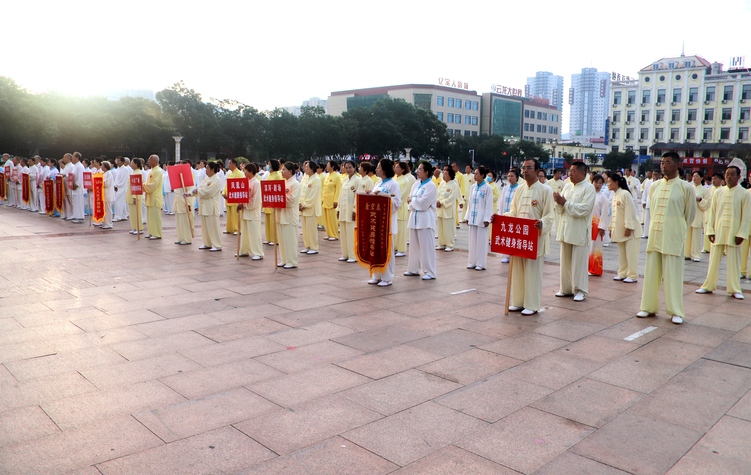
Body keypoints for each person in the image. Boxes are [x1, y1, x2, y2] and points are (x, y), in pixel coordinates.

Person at [637, 152, 697, 324]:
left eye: (668, 162)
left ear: (677, 165)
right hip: (655, 234)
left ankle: (675, 311)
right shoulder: (654, 186)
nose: (663, 165)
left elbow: (690, 214)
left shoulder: (686, 187)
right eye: (662, 162)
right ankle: (647, 307)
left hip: (673, 235)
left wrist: (678, 229)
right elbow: (653, 209)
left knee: (673, 274)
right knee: (651, 273)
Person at [503, 158, 554, 315]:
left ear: (538, 170)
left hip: (535, 239)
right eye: (523, 168)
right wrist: (502, 218)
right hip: (519, 238)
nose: (525, 171)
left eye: (529, 168)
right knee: (517, 270)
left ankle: (531, 305)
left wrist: (542, 224)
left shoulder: (545, 190)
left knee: (533, 272)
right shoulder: (519, 189)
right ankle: (518, 302)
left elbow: (550, 216)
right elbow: (513, 211)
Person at [696, 166, 751, 299]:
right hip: (718, 230)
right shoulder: (717, 193)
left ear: (739, 177)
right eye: (727, 174)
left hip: (734, 232)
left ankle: (734, 289)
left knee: (734, 261)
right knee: (713, 260)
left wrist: (742, 234)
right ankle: (708, 286)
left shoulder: (744, 194)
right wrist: (710, 230)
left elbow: (746, 216)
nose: (729, 177)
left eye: (732, 174)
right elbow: (712, 213)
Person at [553, 161, 596, 302]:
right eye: (569, 171)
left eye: (573, 171)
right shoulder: (567, 186)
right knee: (565, 261)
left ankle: (580, 290)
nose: (570, 173)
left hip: (579, 230)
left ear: (583, 173)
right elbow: (559, 208)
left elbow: (584, 209)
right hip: (565, 228)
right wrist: (558, 202)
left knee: (579, 262)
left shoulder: (588, 188)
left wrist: (564, 203)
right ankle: (565, 288)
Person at [366, 159, 401, 286]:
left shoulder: (393, 184)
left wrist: (381, 197)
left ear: (385, 169)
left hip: (387, 222)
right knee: (375, 249)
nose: (376, 169)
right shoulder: (378, 183)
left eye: (379, 167)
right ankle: (376, 275)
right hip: (376, 221)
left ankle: (387, 277)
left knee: (386, 249)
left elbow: (396, 203)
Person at [404, 160, 438, 280]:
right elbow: (409, 200)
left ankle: (430, 271)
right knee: (414, 246)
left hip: (425, 220)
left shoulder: (431, 186)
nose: (417, 171)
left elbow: (424, 204)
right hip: (414, 218)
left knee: (426, 247)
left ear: (426, 172)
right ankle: (413, 269)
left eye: (420, 169)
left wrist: (413, 200)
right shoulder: (416, 184)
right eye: (417, 169)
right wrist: (413, 200)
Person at [607, 172, 641, 282]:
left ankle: (632, 275)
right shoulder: (615, 195)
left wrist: (629, 227)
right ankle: (622, 273)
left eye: (609, 182)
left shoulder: (625, 194)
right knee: (622, 253)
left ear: (616, 182)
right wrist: (611, 227)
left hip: (630, 230)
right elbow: (613, 213)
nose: (607, 184)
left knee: (631, 253)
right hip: (620, 229)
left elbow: (630, 211)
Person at [463, 166, 495, 271]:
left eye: (477, 174)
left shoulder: (487, 188)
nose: (475, 175)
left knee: (481, 241)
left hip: (482, 218)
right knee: (472, 240)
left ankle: (481, 263)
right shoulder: (473, 187)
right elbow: (470, 204)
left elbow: (489, 204)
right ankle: (472, 261)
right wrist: (467, 216)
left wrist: (487, 219)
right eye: (475, 173)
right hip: (473, 217)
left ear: (482, 175)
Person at [193, 161, 223, 251]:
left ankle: (217, 245)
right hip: (204, 206)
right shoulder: (207, 179)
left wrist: (198, 191)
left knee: (213, 226)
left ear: (212, 170)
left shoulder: (216, 180)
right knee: (205, 226)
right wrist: (190, 193)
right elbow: (199, 188)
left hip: (211, 206)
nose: (206, 171)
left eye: (207, 169)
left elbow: (209, 192)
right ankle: (207, 243)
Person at [237, 163, 264, 259]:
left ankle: (258, 253)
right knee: (245, 233)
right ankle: (244, 250)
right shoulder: (245, 182)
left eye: (245, 170)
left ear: (251, 171)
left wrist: (244, 204)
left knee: (254, 233)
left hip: (252, 212)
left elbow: (256, 200)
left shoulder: (256, 183)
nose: (243, 172)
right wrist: (240, 203)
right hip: (245, 212)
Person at [278, 162, 301, 268]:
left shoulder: (295, 184)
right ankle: (284, 259)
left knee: (290, 239)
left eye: (284, 170)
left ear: (290, 171)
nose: (282, 172)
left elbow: (292, 200)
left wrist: (280, 198)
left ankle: (292, 261)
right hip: (281, 214)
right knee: (282, 239)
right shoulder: (283, 183)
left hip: (290, 215)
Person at [683, 171, 711, 262]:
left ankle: (695, 254)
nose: (694, 178)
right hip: (688, 214)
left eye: (697, 176)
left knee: (696, 236)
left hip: (698, 215)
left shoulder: (705, 190)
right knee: (687, 236)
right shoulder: (688, 187)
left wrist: (700, 200)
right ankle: (686, 253)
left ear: (702, 178)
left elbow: (707, 205)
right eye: (693, 176)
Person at [338, 160, 360, 263]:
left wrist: (355, 210)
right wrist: (338, 209)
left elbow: (358, 196)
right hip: (343, 210)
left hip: (351, 210)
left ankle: (353, 255)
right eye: (346, 167)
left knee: (351, 234)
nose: (348, 169)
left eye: (350, 167)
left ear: (354, 168)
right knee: (343, 233)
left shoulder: (357, 180)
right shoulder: (345, 180)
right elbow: (340, 195)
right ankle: (345, 254)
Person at [588, 174, 610, 276]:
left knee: (596, 248)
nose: (598, 185)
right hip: (587, 225)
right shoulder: (588, 195)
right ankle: (587, 267)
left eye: (600, 183)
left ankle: (595, 269)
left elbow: (604, 214)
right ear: (592, 182)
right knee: (587, 247)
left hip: (597, 226)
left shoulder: (603, 198)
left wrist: (602, 227)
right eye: (596, 182)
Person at [299, 161, 322, 255]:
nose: (305, 168)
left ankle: (314, 247)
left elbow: (313, 195)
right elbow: (302, 192)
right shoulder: (306, 179)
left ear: (312, 168)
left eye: (307, 167)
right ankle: (307, 245)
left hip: (311, 208)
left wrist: (305, 204)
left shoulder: (316, 179)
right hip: (303, 208)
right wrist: (300, 203)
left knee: (311, 229)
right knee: (304, 229)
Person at [436, 167, 461, 252]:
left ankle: (450, 244)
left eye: (446, 174)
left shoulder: (454, 184)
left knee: (448, 228)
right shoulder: (442, 184)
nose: (444, 175)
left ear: (450, 176)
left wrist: (442, 202)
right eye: (443, 173)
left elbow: (452, 198)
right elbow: (437, 194)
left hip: (448, 210)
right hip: (440, 209)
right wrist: (437, 201)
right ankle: (441, 243)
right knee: (441, 227)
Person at [498, 168, 520, 263]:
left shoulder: (519, 189)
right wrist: (500, 215)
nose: (510, 178)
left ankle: (513, 255)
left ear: (517, 178)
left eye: (512, 176)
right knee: (505, 236)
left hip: (514, 216)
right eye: (509, 176)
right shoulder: (505, 188)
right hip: (505, 215)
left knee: (514, 236)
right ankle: (506, 255)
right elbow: (502, 202)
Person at [142, 155, 164, 239]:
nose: (148, 161)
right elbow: (148, 182)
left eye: (149, 160)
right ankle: (151, 232)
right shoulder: (151, 171)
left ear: (154, 161)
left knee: (155, 217)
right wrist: (143, 185)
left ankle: (157, 234)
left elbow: (154, 185)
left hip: (155, 197)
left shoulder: (158, 171)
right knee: (150, 216)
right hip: (149, 196)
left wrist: (143, 186)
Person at [173, 161, 194, 245]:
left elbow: (190, 189)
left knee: (185, 221)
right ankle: (180, 237)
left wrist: (188, 203)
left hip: (185, 201)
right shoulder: (178, 176)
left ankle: (187, 238)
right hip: (178, 201)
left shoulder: (189, 174)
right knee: (179, 220)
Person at [703, 172, 725, 253]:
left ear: (721, 180)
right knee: (707, 229)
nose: (713, 180)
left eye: (715, 179)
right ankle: (706, 247)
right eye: (712, 179)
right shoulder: (708, 190)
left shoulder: (723, 190)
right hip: (709, 212)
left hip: (718, 214)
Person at [262, 159, 282, 244]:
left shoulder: (277, 175)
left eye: (269, 164)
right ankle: (269, 238)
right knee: (267, 221)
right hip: (267, 200)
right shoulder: (269, 175)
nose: (268, 166)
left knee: (273, 221)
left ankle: (275, 239)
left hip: (273, 200)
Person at [395, 162, 412, 257]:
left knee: (401, 230)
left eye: (397, 167)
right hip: (394, 207)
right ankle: (395, 248)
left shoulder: (405, 181)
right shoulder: (395, 179)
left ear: (402, 169)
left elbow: (402, 195)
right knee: (395, 229)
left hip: (401, 207)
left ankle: (402, 249)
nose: (395, 168)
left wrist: (395, 204)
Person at [222, 158, 243, 235]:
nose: (228, 165)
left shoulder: (239, 173)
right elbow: (226, 184)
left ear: (234, 164)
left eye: (230, 163)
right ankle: (229, 228)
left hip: (234, 197)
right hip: (228, 197)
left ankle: (237, 229)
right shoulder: (230, 173)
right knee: (229, 214)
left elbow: (240, 186)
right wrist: (224, 193)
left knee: (235, 214)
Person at [322, 160, 342, 241]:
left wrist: (336, 200)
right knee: (327, 218)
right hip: (326, 199)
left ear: (332, 166)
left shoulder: (336, 176)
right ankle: (329, 233)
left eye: (328, 165)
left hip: (332, 200)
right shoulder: (327, 176)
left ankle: (334, 234)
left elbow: (338, 189)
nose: (326, 167)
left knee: (332, 218)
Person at [126, 158, 144, 235]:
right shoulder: (133, 172)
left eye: (132, 163)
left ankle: (139, 228)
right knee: (132, 213)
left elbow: (137, 186)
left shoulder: (138, 173)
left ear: (136, 164)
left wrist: (134, 197)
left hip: (135, 196)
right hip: (130, 194)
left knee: (137, 213)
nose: (131, 164)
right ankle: (134, 227)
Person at [70, 152, 85, 223]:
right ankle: (76, 216)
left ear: (77, 158)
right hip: (74, 187)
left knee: (79, 203)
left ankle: (80, 217)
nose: (72, 158)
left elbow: (81, 178)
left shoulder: (80, 166)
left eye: (73, 157)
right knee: (75, 203)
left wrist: (76, 185)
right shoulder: (75, 166)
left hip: (78, 188)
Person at [100, 161, 115, 229]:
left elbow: (107, 184)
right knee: (104, 210)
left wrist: (100, 180)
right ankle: (104, 223)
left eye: (102, 165)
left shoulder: (109, 174)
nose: (101, 167)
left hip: (107, 194)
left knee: (108, 210)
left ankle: (108, 224)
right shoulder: (103, 173)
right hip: (103, 194)